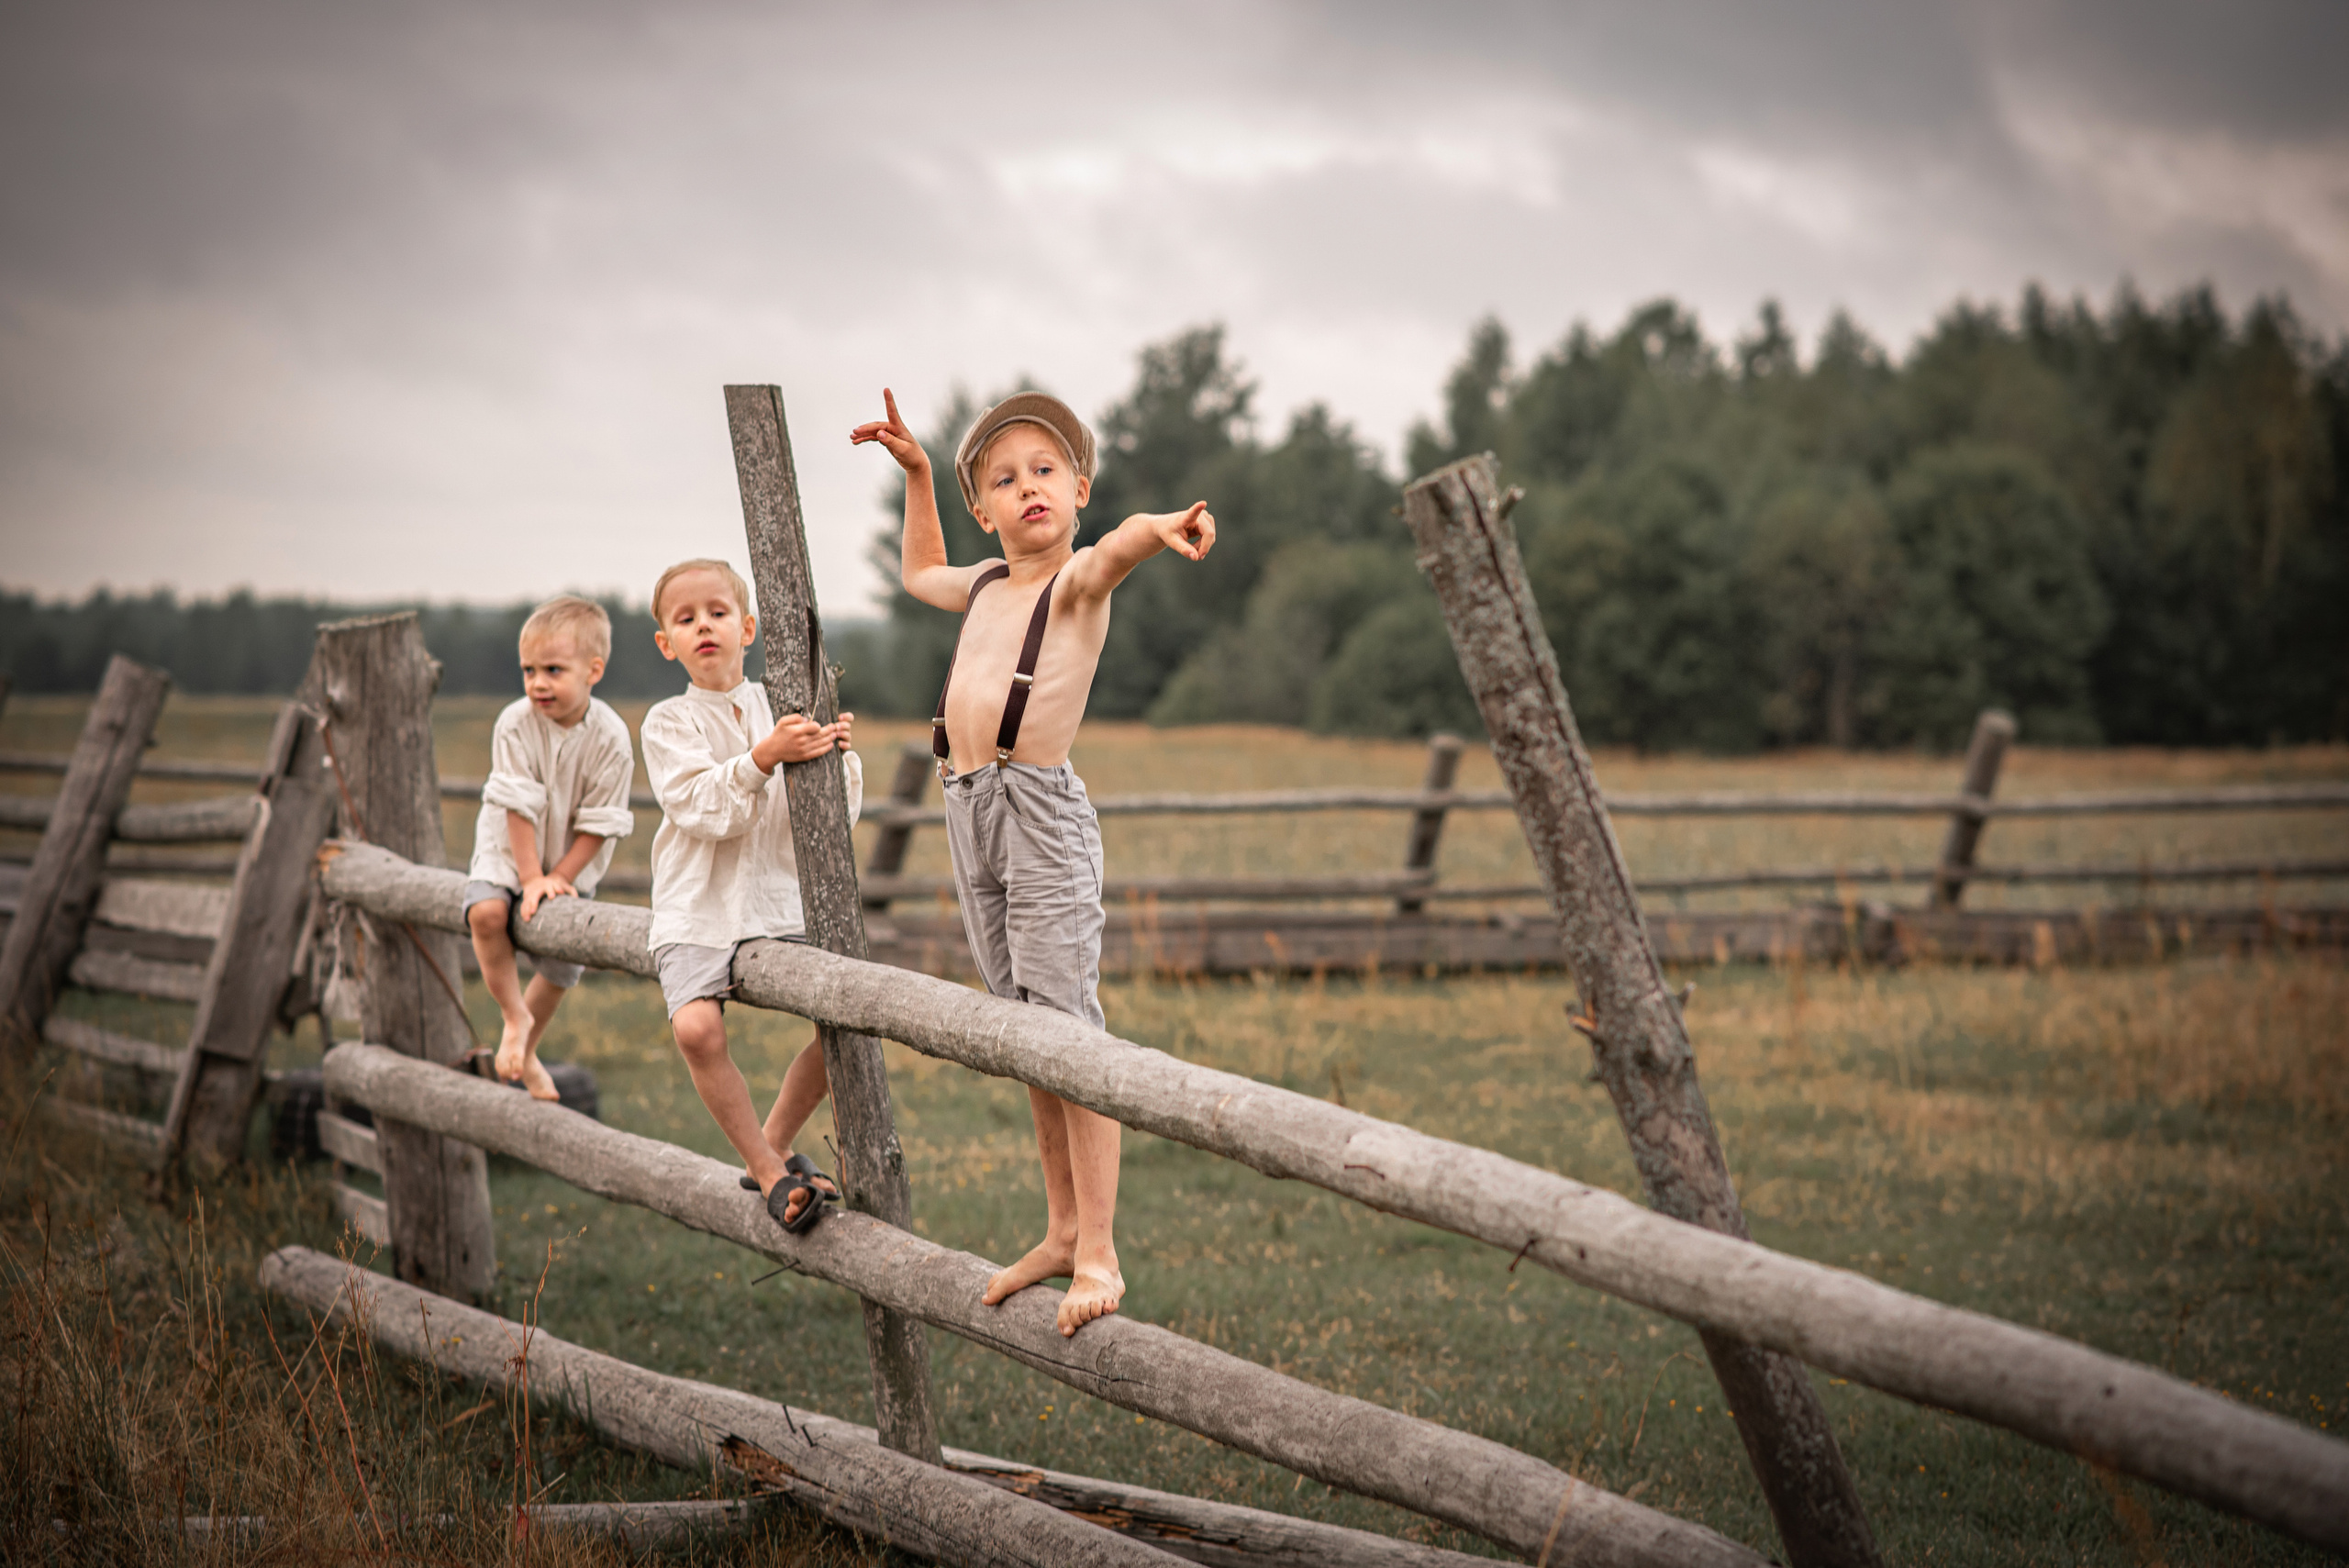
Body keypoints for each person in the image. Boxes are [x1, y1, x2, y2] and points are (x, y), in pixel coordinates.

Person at [853, 387, 1216, 1337]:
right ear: (986, 511)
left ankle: (1098, 1247)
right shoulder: (981, 586)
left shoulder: (1076, 583)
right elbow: (918, 569)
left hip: (1039, 811)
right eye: (1005, 480)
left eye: (1046, 471)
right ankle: (1058, 1227)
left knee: (1068, 1031)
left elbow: (1118, 546)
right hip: (968, 807)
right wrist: (922, 474)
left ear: (1080, 488)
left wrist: (1162, 524)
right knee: (1024, 1033)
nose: (1028, 489)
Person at [639, 558, 861, 1234]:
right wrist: (763, 758)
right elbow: (700, 807)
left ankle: (779, 1136)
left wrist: (835, 759)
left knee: (848, 1024)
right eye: (685, 618)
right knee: (695, 1028)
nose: (703, 625)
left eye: (717, 612)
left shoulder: (786, 702)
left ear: (748, 627)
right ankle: (766, 1169)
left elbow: (834, 819)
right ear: (665, 642)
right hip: (700, 902)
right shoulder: (667, 722)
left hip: (779, 902)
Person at [464, 595, 636, 1101]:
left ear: (593, 670)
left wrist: (557, 877)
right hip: (507, 847)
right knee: (487, 913)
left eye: (553, 670)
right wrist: (528, 876)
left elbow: (599, 823)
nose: (538, 683)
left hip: (570, 856)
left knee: (563, 953)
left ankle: (527, 1044)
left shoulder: (611, 738)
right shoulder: (514, 723)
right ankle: (514, 1014)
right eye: (529, 670)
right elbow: (516, 807)